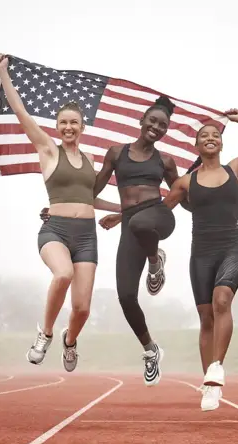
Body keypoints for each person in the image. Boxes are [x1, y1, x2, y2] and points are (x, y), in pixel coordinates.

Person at [0, 53, 121, 372]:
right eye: (63, 122)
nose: (68, 127)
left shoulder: (91, 160)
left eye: (73, 123)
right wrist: (3, 74)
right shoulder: (48, 151)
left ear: (81, 127)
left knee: (82, 310)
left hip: (87, 237)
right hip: (56, 231)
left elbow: (91, 200)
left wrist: (125, 209)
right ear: (58, 126)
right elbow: (21, 113)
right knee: (62, 274)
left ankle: (70, 340)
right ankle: (46, 334)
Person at [158, 109, 238, 410]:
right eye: (204, 136)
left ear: (221, 145)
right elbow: (159, 213)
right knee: (206, 318)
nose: (210, 138)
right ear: (197, 147)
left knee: (222, 299)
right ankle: (209, 387)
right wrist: (123, 217)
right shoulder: (186, 182)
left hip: (231, 249)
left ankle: (217, 367)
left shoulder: (236, 169)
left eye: (216, 136)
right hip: (201, 256)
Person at [78, 95, 188, 386]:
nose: (156, 127)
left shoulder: (165, 160)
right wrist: (59, 206)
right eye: (152, 121)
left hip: (159, 217)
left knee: (140, 222)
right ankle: (151, 350)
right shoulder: (116, 153)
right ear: (141, 121)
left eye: (163, 125)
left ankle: (155, 260)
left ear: (166, 130)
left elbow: (180, 193)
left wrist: (203, 181)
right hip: (132, 224)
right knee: (126, 296)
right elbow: (91, 191)